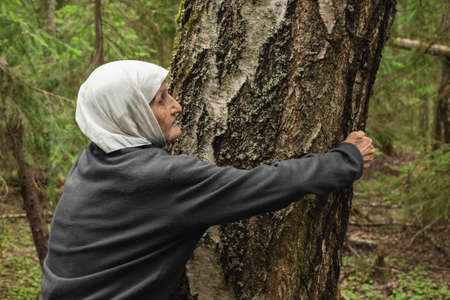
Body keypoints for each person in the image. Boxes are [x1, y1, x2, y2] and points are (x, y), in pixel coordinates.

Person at [40, 60, 374, 300]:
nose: (177, 106)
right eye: (160, 100)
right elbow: (262, 186)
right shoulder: (159, 177)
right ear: (130, 115)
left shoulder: (92, 159)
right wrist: (345, 159)